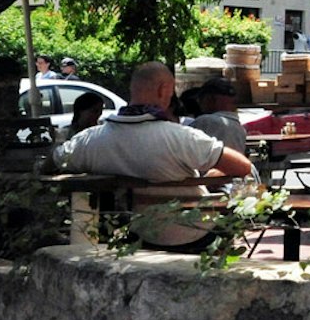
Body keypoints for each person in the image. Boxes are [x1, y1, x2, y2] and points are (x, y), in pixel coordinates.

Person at [52, 62, 256, 247]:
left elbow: (52, 163)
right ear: (164, 90)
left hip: (133, 234)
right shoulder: (181, 137)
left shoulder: (89, 140)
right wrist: (207, 176)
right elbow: (242, 166)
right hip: (192, 234)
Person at [182, 76, 250, 155]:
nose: (199, 103)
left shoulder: (205, 121)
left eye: (200, 99)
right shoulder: (240, 129)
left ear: (209, 99)